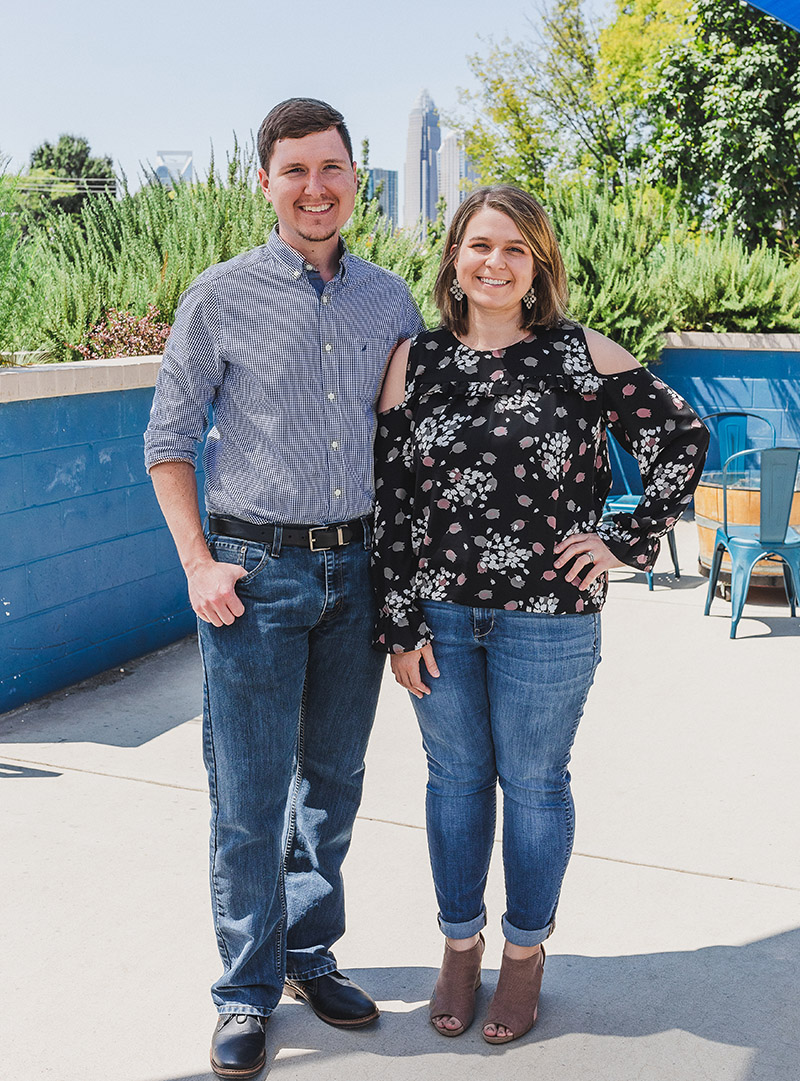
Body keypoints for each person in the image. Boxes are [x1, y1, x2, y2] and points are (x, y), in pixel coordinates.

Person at [371, 185, 708, 1045]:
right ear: (453, 257)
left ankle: (523, 954)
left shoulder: (581, 355)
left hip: (551, 616)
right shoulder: (418, 362)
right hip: (441, 614)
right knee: (453, 782)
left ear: (540, 265)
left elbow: (681, 438)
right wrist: (399, 624)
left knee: (533, 783)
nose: (495, 262)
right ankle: (459, 943)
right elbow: (395, 500)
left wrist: (625, 541)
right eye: (480, 245)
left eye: (515, 249)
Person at [144, 98, 424, 1079]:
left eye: (332, 168)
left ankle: (307, 953)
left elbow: (413, 448)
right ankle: (243, 990)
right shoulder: (218, 296)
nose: (315, 187)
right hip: (254, 578)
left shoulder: (390, 301)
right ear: (263, 182)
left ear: (355, 179)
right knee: (248, 795)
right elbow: (166, 442)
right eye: (294, 169)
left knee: (333, 786)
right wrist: (197, 563)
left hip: (359, 570)